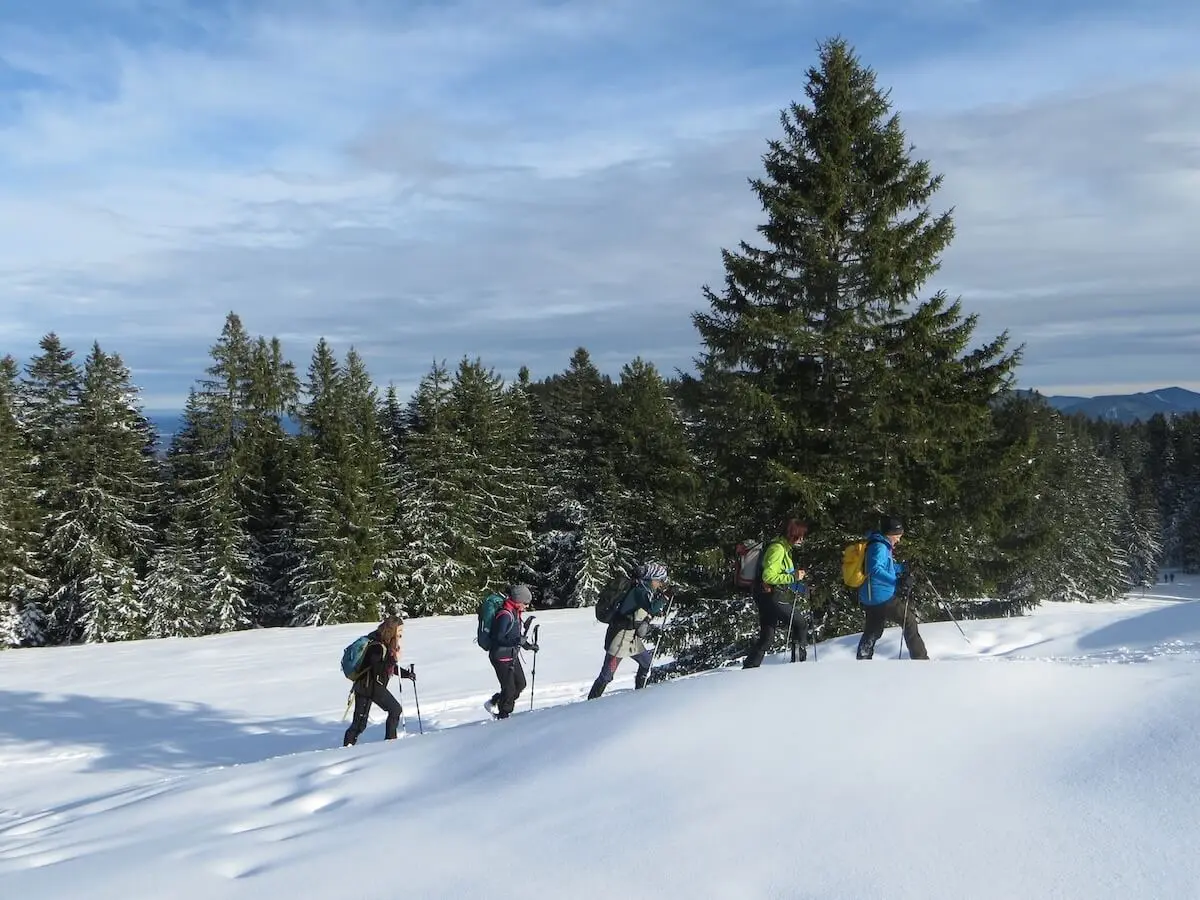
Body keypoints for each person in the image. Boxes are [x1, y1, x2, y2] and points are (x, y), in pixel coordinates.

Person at [587, 562, 671, 699]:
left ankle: (640, 696)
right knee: (607, 675)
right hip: (620, 637)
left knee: (646, 662)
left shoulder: (643, 589)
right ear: (652, 578)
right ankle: (589, 704)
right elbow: (651, 608)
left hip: (631, 637)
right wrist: (665, 598)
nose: (660, 584)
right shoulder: (640, 591)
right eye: (660, 580)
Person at [854, 516, 927, 660]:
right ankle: (921, 660)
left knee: (873, 630)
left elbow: (885, 566)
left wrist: (902, 568)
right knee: (909, 621)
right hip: (881, 594)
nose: (898, 540)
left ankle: (863, 659)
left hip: (871, 596)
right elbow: (874, 569)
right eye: (897, 536)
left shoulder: (877, 543)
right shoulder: (879, 546)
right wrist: (896, 581)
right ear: (890, 534)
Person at [742, 517, 810, 668]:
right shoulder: (777, 549)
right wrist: (793, 577)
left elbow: (786, 575)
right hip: (771, 594)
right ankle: (799, 665)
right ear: (792, 534)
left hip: (764, 594)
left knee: (767, 636)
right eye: (800, 535)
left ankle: (748, 669)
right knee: (800, 623)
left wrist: (802, 588)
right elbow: (769, 576)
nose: (802, 539)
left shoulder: (783, 548)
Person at [344, 615, 416, 746]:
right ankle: (390, 743)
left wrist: (406, 674)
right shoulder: (376, 646)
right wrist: (394, 659)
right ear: (392, 630)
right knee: (394, 710)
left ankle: (347, 747)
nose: (401, 634)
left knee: (359, 724)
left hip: (366, 686)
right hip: (370, 687)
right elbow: (378, 668)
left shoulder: (384, 642)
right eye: (399, 631)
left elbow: (388, 666)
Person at [484, 584, 537, 719]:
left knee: (521, 684)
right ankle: (503, 716)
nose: (526, 606)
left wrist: (529, 646)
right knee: (509, 689)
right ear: (518, 600)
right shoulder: (505, 615)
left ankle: (495, 701)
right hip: (500, 657)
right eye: (525, 603)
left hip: (511, 655)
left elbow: (515, 637)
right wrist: (516, 642)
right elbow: (498, 638)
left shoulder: (515, 613)